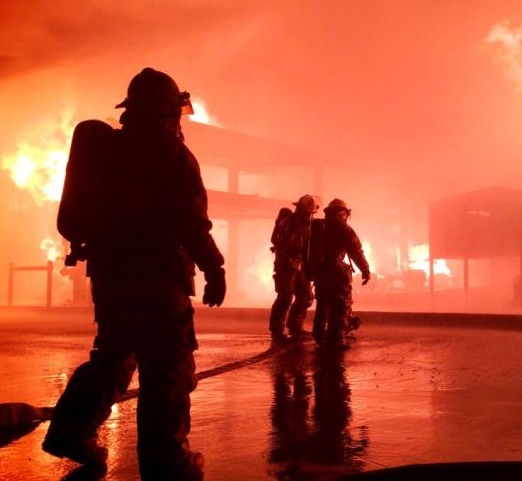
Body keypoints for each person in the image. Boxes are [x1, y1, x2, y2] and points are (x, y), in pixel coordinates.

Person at [42, 67, 226, 480]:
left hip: (112, 279)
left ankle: (71, 431)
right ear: (167, 111)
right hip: (160, 280)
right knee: (167, 370)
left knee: (113, 357)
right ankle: (168, 465)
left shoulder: (105, 152)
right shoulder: (173, 156)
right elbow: (191, 223)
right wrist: (214, 266)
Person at [310, 199, 370, 348]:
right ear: (344, 213)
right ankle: (336, 340)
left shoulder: (317, 227)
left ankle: (319, 335)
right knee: (341, 306)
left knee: (323, 304)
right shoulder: (344, 229)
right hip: (336, 273)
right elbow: (356, 251)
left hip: (319, 272)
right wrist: (365, 270)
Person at [269, 194, 320, 343]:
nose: (309, 215)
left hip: (300, 266)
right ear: (299, 209)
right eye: (307, 212)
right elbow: (278, 241)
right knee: (285, 297)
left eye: (310, 213)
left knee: (306, 296)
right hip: (286, 265)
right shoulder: (288, 222)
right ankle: (276, 331)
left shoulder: (308, 225)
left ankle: (295, 327)